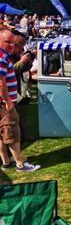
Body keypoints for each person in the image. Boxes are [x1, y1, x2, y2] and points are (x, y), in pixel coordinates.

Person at [0, 30, 41, 172]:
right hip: (4, 103)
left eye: (13, 42)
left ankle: (6, 162)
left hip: (3, 102)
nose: (11, 45)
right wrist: (8, 101)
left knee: (2, 133)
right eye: (8, 42)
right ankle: (20, 164)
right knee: (13, 133)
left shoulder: (4, 55)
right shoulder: (1, 56)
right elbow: (0, 82)